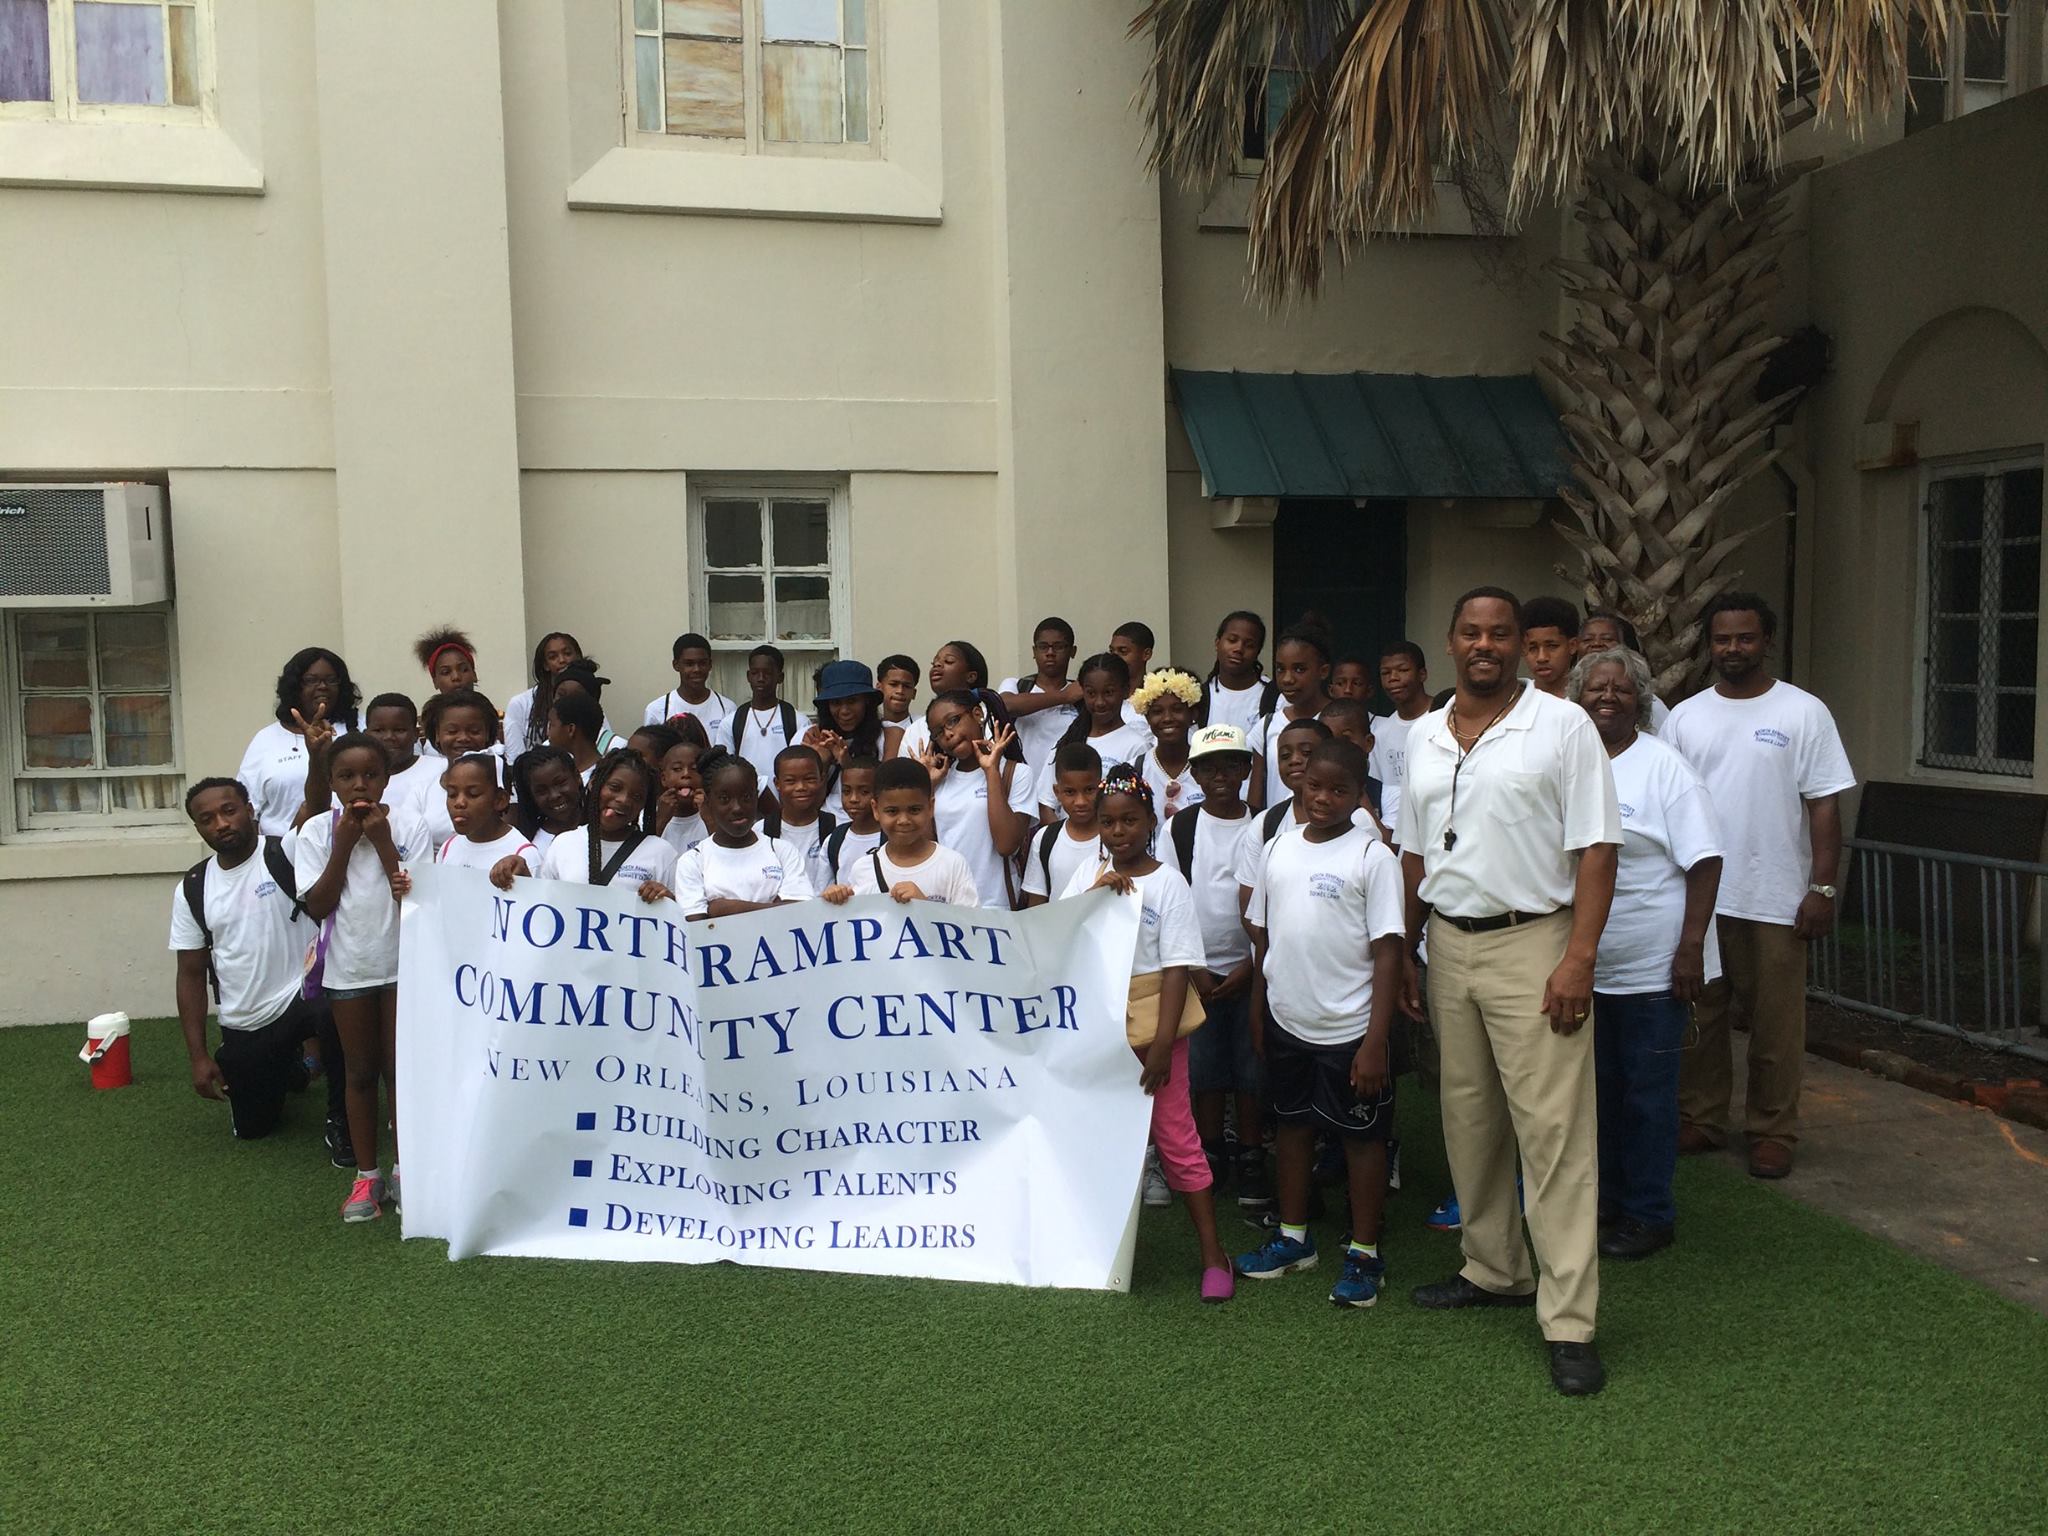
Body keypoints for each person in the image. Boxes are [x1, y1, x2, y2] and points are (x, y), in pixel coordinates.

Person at [1395, 586, 1620, 1397]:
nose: (1485, 645)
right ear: (1450, 641)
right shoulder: (1422, 735)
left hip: (1537, 944)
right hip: (1450, 944)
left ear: (1525, 645)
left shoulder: (1562, 726)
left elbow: (1597, 849)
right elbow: (1416, 856)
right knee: (1469, 1120)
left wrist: (1579, 959)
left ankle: (1570, 1322)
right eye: (1471, 632)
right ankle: (1494, 1268)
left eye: (1501, 634)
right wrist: (1412, 950)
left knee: (1554, 1137)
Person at [1660, 592, 1854, 1180]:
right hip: (1700, 899)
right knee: (1701, 1016)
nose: (1733, 649)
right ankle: (1702, 1118)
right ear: (1709, 644)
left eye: (1745, 637)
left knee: (1775, 1025)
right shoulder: (1686, 717)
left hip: (1775, 896)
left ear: (1767, 640)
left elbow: (1823, 806)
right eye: (1722, 639)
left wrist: (1821, 889)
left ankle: (1772, 1130)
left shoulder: (1804, 712)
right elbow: (1668, 804)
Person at [1238, 739, 1406, 1306]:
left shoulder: (1372, 856)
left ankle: (1364, 1252)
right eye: (1315, 787)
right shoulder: (1279, 848)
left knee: (1363, 1141)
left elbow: (1388, 951)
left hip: (1352, 1031)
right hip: (1288, 1021)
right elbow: (1262, 938)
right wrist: (1260, 1011)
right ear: (1299, 783)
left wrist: (1376, 1041)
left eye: (1340, 790)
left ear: (1360, 791)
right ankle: (1293, 1238)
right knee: (1290, 1128)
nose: (1325, 799)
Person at [1059, 765, 1233, 1303]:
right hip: (1101, 1026)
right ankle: (1097, 1247)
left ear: (1150, 819)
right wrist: (1095, 894)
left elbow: (1179, 967)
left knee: (1176, 1138)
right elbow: (1060, 936)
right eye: (1109, 822)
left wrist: (1162, 1045)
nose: (1118, 832)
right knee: (1103, 1139)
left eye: (1130, 820)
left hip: (1156, 1029)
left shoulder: (1168, 882)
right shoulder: (1088, 872)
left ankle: (1213, 1254)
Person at [1570, 646, 1723, 1258]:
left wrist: (1691, 948)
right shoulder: (1570, 763)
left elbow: (1706, 860)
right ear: (1577, 700)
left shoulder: (1665, 768)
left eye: (1621, 689)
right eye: (1595, 689)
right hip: (1585, 970)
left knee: (1648, 1097)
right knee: (1597, 1094)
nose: (1607, 697)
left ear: (1641, 701)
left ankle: (1650, 1213)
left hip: (1652, 968)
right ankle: (1605, 1201)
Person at [293, 732, 430, 1224]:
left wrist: (383, 843)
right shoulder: (314, 833)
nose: (359, 785)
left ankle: (405, 1171)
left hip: (403, 965)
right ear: (330, 782)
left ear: (387, 778)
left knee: (400, 1071)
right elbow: (317, 903)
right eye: (346, 776)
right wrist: (345, 843)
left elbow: (418, 899)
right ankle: (366, 1177)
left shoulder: (410, 824)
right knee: (357, 1071)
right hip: (349, 968)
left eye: (370, 774)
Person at [172, 778, 346, 1156]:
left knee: (335, 1008)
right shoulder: (194, 887)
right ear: (199, 828)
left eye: (229, 811)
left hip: (304, 994)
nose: (220, 823)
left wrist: (318, 759)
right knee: (254, 1128)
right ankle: (291, 1070)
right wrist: (198, 1056)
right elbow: (189, 973)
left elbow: (314, 808)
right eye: (207, 819)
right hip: (247, 1018)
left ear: (251, 811)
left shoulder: (283, 853)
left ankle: (342, 1117)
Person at [1164, 725, 1264, 1208]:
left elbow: (1273, 901)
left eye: (1231, 764)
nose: (1220, 774)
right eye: (1208, 766)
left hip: (1252, 968)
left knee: (1249, 1065)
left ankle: (1249, 1153)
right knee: (1203, 1068)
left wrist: (1251, 964)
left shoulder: (1265, 826)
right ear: (1195, 773)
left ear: (1247, 768)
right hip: (1195, 970)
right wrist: (1192, 967)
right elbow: (1170, 898)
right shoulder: (1180, 828)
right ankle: (1211, 1152)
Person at [504, 749, 677, 902]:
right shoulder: (563, 844)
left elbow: (681, 920)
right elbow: (543, 907)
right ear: (594, 783)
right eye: (615, 787)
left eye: (637, 796)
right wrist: (521, 878)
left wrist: (667, 901)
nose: (623, 799)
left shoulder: (662, 852)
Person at [924, 690, 1035, 910]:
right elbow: (927, 848)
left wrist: (991, 770)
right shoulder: (940, 779)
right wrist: (928, 787)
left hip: (996, 906)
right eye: (938, 732)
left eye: (953, 721)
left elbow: (1006, 845)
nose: (947, 734)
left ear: (977, 714)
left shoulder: (1015, 773)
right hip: (946, 906)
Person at [675, 749, 816, 919]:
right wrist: (775, 906)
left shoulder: (782, 851)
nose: (737, 808)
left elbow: (801, 913)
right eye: (724, 799)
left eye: (746, 797)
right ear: (708, 800)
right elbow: (696, 924)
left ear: (757, 797)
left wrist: (721, 909)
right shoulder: (693, 861)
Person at [822, 756, 981, 906]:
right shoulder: (863, 868)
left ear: (931, 807)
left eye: (914, 810)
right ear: (876, 809)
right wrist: (835, 901)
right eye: (892, 811)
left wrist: (925, 907)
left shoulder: (952, 864)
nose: (904, 820)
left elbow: (970, 927)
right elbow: (854, 925)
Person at [238, 647, 361, 836]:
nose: (322, 686)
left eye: (331, 680)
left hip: (356, 844)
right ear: (295, 686)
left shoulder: (361, 727)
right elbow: (248, 809)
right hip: (284, 853)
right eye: (311, 680)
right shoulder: (266, 739)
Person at [1043, 653, 1151, 811]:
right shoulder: (1069, 741)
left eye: (1108, 693)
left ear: (1126, 690)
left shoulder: (1137, 746)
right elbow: (1046, 805)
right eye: (1091, 693)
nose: (1099, 702)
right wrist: (1064, 835)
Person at [1249, 619, 1334, 811]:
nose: (1287, 679)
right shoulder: (1266, 726)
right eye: (1280, 669)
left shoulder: (1338, 722)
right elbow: (1256, 796)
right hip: (1278, 834)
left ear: (1323, 671)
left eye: (1299, 669)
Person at [805, 659, 899, 813]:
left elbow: (888, 790)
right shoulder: (813, 736)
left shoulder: (891, 735)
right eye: (836, 703)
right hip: (826, 828)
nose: (844, 711)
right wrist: (821, 764)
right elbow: (807, 805)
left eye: (852, 701)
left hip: (872, 829)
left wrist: (847, 763)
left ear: (867, 701)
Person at [1020, 743, 1104, 908]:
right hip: (1057, 932)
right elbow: (1036, 907)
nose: (1080, 801)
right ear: (1057, 792)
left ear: (1102, 787)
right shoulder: (1045, 839)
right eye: (1070, 792)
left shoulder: (1115, 838)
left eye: (1089, 790)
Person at [998, 617, 1082, 772]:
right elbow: (1006, 705)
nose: (1050, 652)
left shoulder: (1081, 694)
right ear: (1034, 651)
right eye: (1043, 647)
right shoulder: (1017, 686)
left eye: (1058, 647)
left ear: (1072, 651)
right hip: (1021, 790)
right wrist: (1064, 697)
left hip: (1066, 790)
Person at [435, 753, 535, 877]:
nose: (459, 803)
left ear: (500, 800)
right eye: (452, 794)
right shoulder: (448, 847)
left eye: (473, 794)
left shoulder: (523, 854)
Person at [1371, 641, 1432, 838]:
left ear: (1422, 674)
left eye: (1402, 670)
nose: (1393, 678)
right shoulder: (1381, 733)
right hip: (1401, 835)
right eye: (1385, 673)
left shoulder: (1443, 717)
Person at [897, 641, 991, 762]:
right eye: (934, 663)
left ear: (971, 676)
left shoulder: (992, 720)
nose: (937, 665)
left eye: (948, 661)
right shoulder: (915, 730)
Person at [731, 644, 800, 808]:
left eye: (767, 673)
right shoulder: (732, 721)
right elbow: (725, 768)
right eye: (755, 673)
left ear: (780, 677)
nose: (760, 678)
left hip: (786, 809)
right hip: (745, 808)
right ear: (748, 676)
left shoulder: (796, 719)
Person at [1579, 610, 1672, 730]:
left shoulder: (1649, 703)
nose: (1596, 644)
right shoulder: (1564, 701)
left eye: (1607, 639)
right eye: (1587, 640)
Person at [764, 744, 838, 892]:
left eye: (809, 779)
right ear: (777, 784)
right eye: (790, 781)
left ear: (822, 779)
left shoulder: (837, 829)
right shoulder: (761, 831)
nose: (801, 787)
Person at [1134, 667, 1205, 818]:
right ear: (1147, 718)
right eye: (1157, 711)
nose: (1167, 718)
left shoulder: (1209, 769)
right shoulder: (1135, 770)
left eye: (1177, 709)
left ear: (1193, 714)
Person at [504, 632, 587, 755]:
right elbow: (514, 758)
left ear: (577, 657)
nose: (562, 660)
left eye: (567, 654)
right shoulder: (519, 704)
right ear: (545, 665)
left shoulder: (586, 698)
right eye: (553, 657)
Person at [645, 632, 737, 742]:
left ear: (710, 664)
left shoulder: (727, 708)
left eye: (702, 663)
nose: (696, 669)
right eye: (689, 664)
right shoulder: (657, 710)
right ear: (676, 665)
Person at [509, 745, 583, 860]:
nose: (554, 796)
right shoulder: (534, 847)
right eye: (541, 791)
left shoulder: (603, 829)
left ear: (577, 777)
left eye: (561, 783)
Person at [822, 756, 882, 884]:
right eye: (846, 791)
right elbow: (823, 889)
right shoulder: (834, 840)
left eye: (864, 792)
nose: (853, 799)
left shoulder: (893, 839)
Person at [654, 729, 711, 857]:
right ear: (664, 778)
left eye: (694, 769)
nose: (686, 775)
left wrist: (710, 819)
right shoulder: (646, 817)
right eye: (677, 769)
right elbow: (643, 857)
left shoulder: (713, 815)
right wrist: (660, 820)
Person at [1519, 597, 1579, 698]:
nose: (1542, 658)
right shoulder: (1514, 702)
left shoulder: (1588, 701)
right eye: (1533, 648)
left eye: (1552, 646)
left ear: (1572, 646)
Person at [547, 689, 606, 783]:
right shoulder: (564, 771)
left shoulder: (602, 778)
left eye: (552, 725)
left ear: (571, 729)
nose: (548, 733)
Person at [1109, 622, 1156, 730]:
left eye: (1123, 651)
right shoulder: (1105, 698)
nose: (1114, 657)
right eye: (1112, 651)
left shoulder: (1157, 698)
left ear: (1146, 654)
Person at [875, 654, 921, 747]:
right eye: (893, 684)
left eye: (907, 686)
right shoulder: (869, 730)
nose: (900, 691)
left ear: (914, 693)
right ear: (879, 688)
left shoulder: (922, 726)